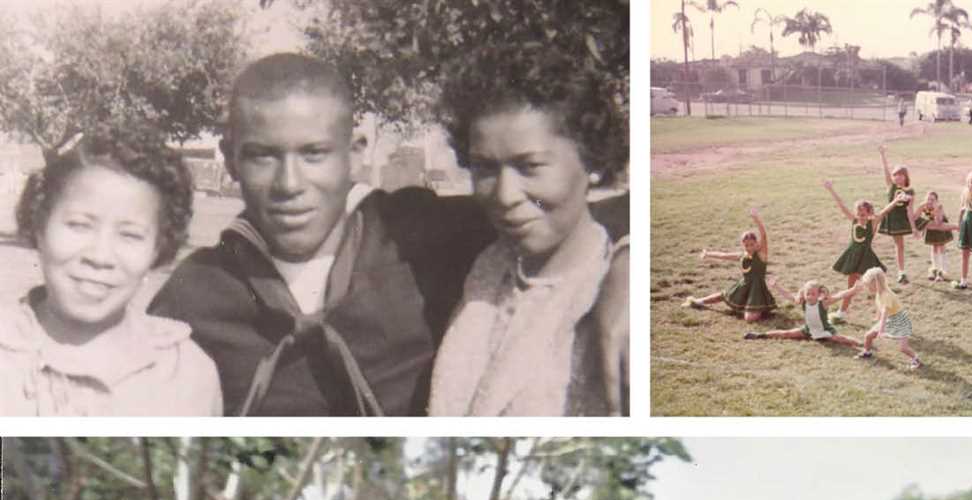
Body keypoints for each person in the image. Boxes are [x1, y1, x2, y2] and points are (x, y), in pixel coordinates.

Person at [149, 52, 628, 416]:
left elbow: (584, 215)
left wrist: (630, 263)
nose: (290, 185)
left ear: (354, 152)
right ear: (230, 158)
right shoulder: (190, 298)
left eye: (314, 153)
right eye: (262, 156)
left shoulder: (423, 234)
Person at [425, 43, 628, 416]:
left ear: (593, 160)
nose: (504, 195)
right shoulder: (482, 265)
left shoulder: (614, 307)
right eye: (485, 168)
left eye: (530, 166)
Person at [2, 125, 221, 417]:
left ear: (158, 248)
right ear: (39, 226)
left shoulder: (189, 374)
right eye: (79, 225)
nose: (100, 256)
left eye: (130, 235)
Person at [822, 180, 902, 312]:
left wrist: (896, 199)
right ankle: (842, 312)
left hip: (865, 257)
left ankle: (887, 309)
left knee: (875, 286)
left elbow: (885, 211)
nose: (860, 217)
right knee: (850, 286)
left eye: (863, 214)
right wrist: (831, 190)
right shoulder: (854, 220)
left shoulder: (873, 222)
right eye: (858, 214)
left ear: (869, 213)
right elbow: (841, 205)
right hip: (852, 255)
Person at [685, 210, 776, 321]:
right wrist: (708, 254)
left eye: (752, 244)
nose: (749, 247)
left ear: (757, 243)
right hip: (744, 285)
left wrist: (756, 219)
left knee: (749, 319)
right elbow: (724, 255)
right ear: (743, 245)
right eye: (746, 245)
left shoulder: (761, 254)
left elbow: (764, 235)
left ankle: (760, 309)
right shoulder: (742, 255)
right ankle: (698, 301)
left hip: (757, 289)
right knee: (724, 295)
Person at [837, 266, 922, 369]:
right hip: (888, 319)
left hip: (899, 321)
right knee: (868, 336)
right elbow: (880, 307)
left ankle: (916, 359)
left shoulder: (886, 295)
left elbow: (885, 312)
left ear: (875, 284)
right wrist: (877, 316)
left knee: (903, 348)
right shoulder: (879, 293)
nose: (867, 288)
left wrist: (881, 330)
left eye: (868, 285)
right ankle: (867, 352)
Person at [743, 278, 863, 347]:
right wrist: (776, 286)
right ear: (804, 294)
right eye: (808, 294)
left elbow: (840, 295)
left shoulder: (823, 303)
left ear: (819, 294)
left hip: (824, 330)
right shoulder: (803, 302)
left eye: (813, 294)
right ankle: (760, 335)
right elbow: (789, 296)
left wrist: (853, 289)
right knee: (787, 333)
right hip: (808, 330)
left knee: (840, 339)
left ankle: (860, 343)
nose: (810, 297)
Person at [876, 143, 917, 282]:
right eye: (896, 175)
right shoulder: (891, 186)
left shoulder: (910, 191)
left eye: (901, 175)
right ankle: (899, 271)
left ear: (906, 177)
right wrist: (882, 155)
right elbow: (886, 171)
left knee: (900, 245)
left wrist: (914, 228)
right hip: (891, 219)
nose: (898, 177)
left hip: (902, 220)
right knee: (898, 244)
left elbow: (910, 211)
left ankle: (901, 272)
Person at [911, 189, 956, 282]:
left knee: (941, 246)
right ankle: (935, 268)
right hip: (931, 227)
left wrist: (935, 209)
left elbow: (938, 222)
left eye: (932, 199)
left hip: (941, 227)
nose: (930, 201)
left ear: (936, 201)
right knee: (934, 247)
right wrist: (920, 207)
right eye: (928, 199)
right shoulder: (924, 206)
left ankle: (944, 270)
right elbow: (914, 217)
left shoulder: (939, 207)